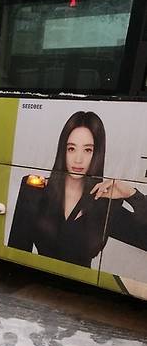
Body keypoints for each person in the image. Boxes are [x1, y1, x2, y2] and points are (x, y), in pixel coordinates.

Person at [8, 111, 147, 267]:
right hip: (37, 285)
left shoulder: (105, 203)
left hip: (80, 289)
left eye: (88, 150)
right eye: (71, 149)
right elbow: (17, 249)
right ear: (63, 151)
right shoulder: (35, 189)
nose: (78, 159)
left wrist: (131, 194)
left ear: (97, 154)